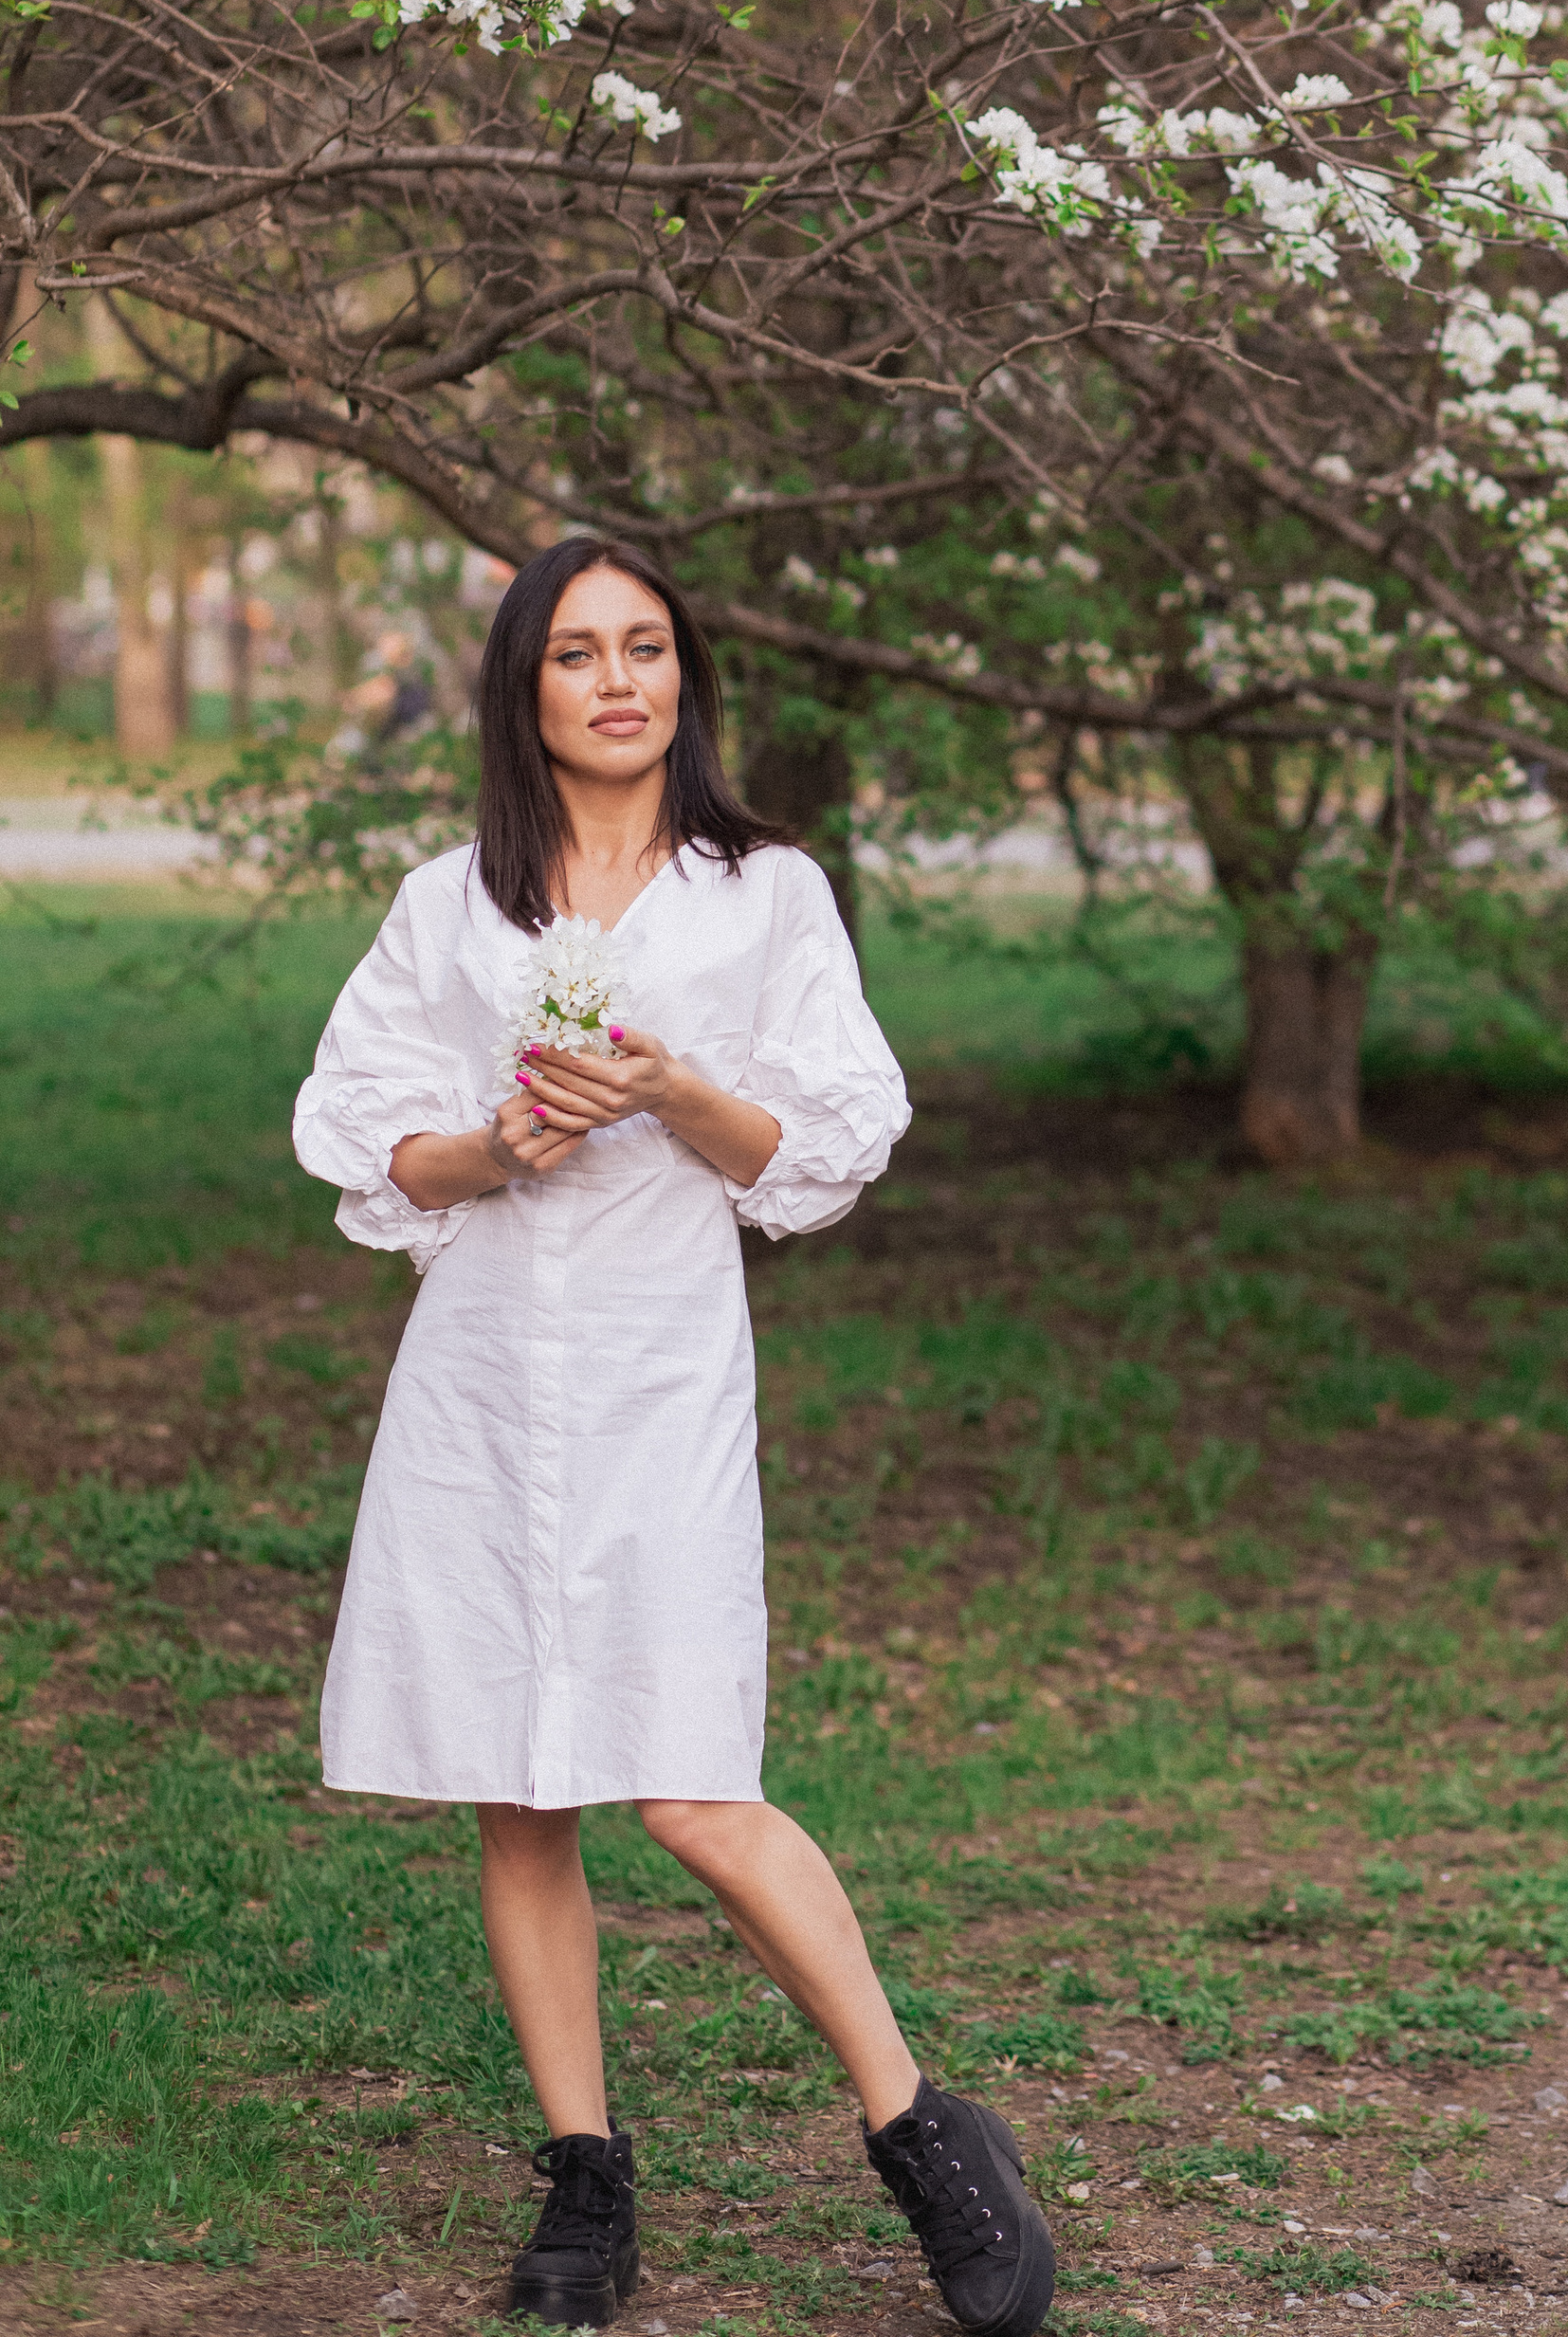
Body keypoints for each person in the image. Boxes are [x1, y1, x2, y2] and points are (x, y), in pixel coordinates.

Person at [292, 535, 1056, 2336]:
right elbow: (367, 1134)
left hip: (660, 1373)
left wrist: (670, 1091)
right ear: (524, 689)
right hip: (483, 1378)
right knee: (520, 1784)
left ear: (684, 681)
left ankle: (920, 2125)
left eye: (647, 649)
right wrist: (503, 1146)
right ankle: (586, 2173)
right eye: (577, 654)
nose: (619, 680)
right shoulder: (447, 903)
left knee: (693, 1784)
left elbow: (827, 1145)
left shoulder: (763, 895)